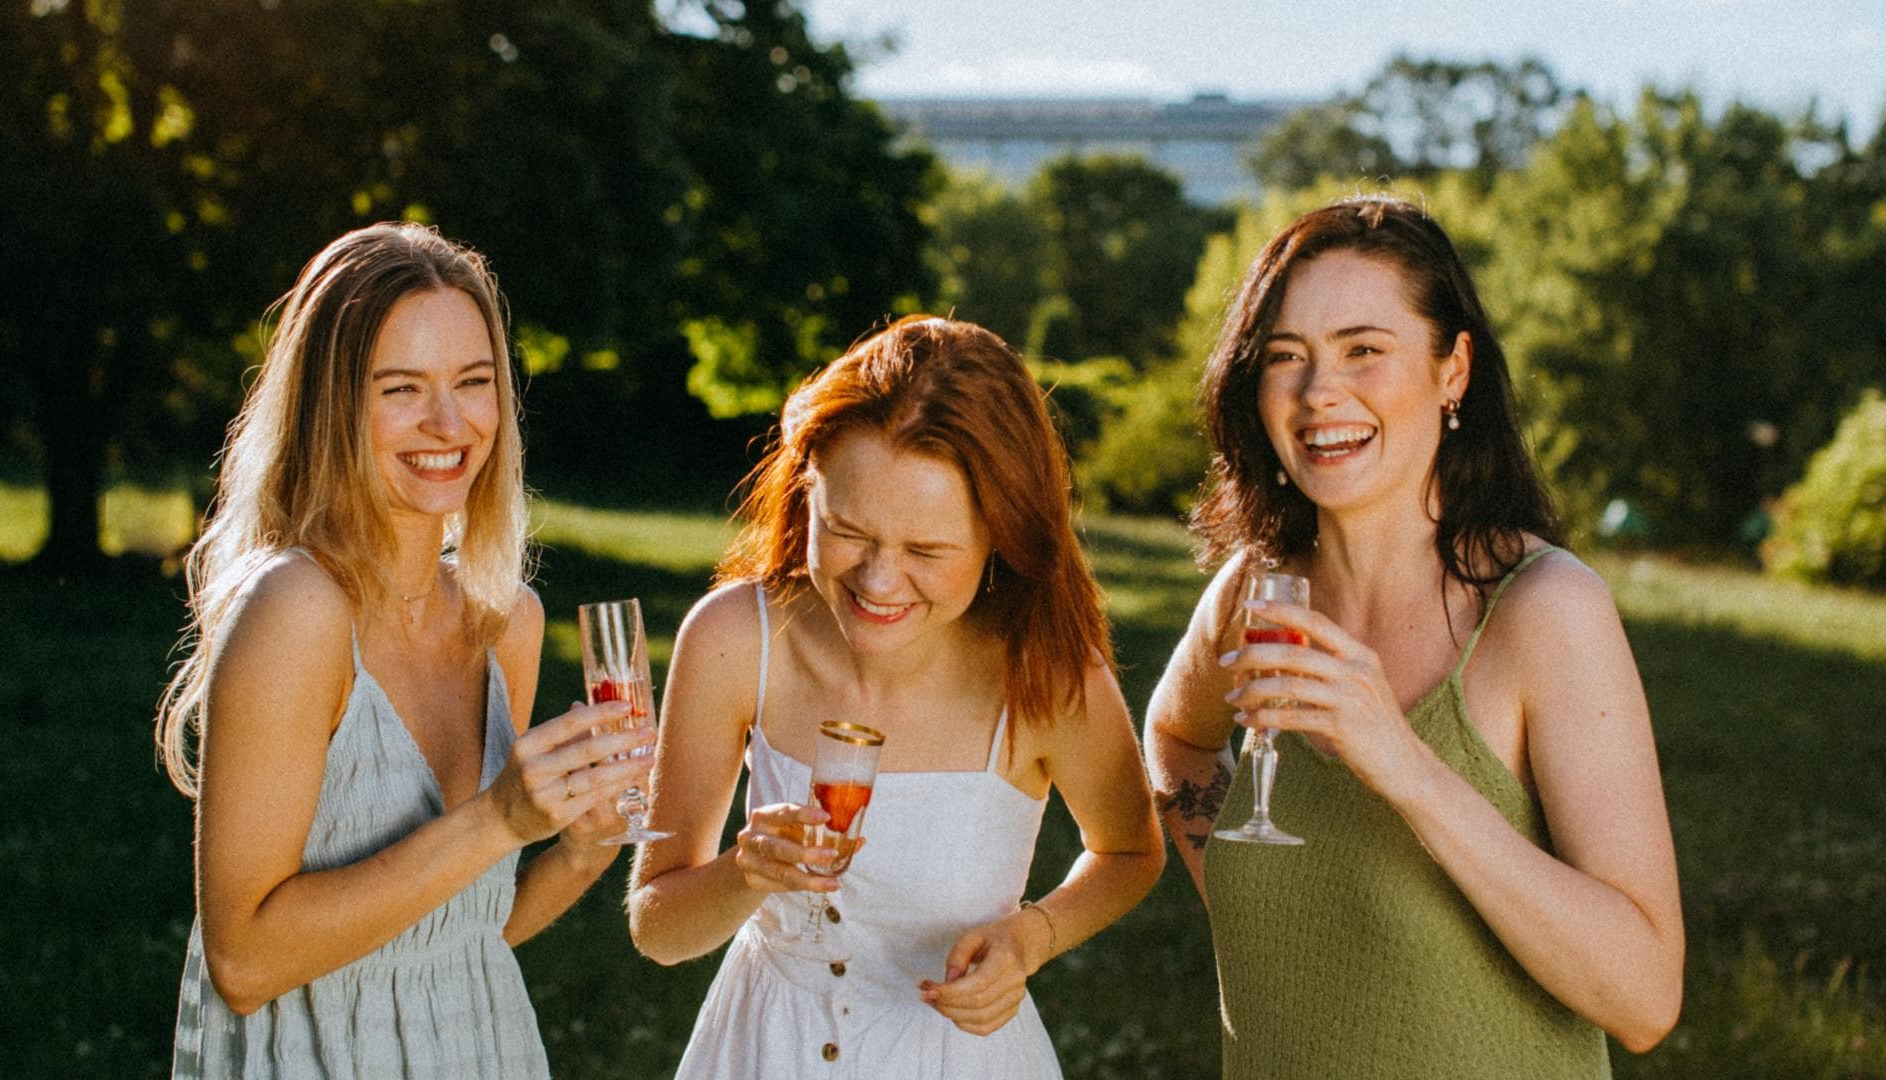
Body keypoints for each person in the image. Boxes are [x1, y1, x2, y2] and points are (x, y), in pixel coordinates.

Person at [1144, 196, 1684, 1078]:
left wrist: (1401, 763)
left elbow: (1645, 998)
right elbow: (1176, 734)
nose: (1319, 392)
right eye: (1286, 355)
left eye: (1363, 349)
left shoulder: (1545, 610)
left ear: (1452, 370)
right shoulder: (1258, 590)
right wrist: (1245, 888)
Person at [154, 222, 653, 1078]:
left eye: (474, 382)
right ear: (332, 406)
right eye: (401, 389)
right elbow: (243, 962)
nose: (449, 422)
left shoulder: (506, 623)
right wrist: (498, 819)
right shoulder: (297, 611)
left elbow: (463, 934)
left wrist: (581, 847)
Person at [626, 315, 1164, 1078]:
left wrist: (1031, 939)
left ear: (1001, 535)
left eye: (926, 551)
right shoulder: (735, 638)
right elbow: (657, 930)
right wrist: (746, 870)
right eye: (849, 531)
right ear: (808, 493)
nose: (878, 581)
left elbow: (1131, 851)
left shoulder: (1049, 680)